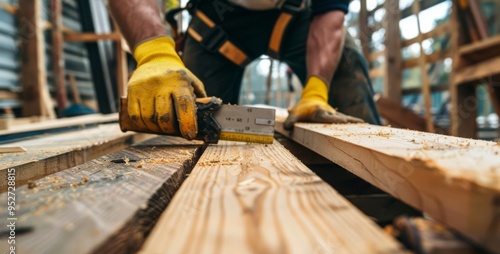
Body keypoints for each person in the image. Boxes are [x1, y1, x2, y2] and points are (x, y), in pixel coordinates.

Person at [109, 0, 381, 140]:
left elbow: (330, 15)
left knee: (346, 69)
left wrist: (317, 90)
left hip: (301, 17)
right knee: (187, 118)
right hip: (217, 21)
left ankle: (382, 206)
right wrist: (155, 53)